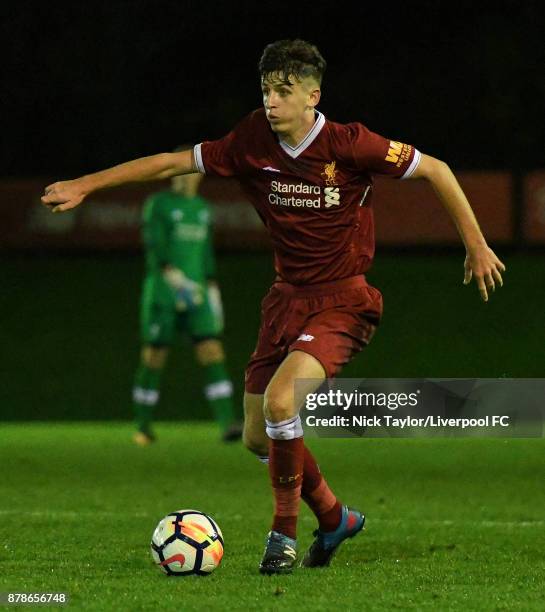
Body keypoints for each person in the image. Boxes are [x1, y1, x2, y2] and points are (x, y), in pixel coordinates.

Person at [41, 39, 505, 574]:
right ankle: (334, 518)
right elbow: (172, 162)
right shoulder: (251, 142)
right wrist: (86, 185)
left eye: (284, 91)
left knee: (284, 404)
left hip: (343, 302)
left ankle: (282, 534)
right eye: (266, 89)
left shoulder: (349, 144)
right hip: (284, 301)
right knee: (259, 434)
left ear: (313, 96)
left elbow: (437, 169)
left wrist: (475, 243)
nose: (271, 100)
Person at [132, 168, 242, 445]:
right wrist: (171, 275)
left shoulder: (203, 209)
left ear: (198, 177)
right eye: (177, 173)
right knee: (154, 356)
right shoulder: (159, 204)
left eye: (188, 173)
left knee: (212, 351)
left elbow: (205, 253)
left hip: (198, 294)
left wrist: (212, 286)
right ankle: (143, 427)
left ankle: (228, 423)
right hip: (164, 292)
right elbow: (154, 244)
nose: (181, 178)